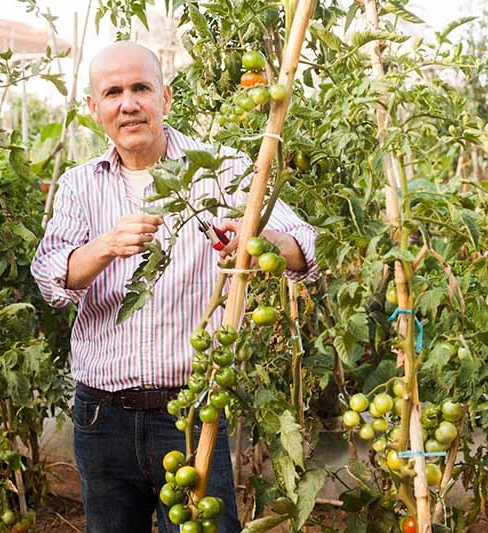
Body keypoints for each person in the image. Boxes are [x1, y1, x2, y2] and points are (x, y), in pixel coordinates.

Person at [31, 41, 318, 533]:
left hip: (188, 412)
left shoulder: (221, 169)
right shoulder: (81, 185)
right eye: (113, 92)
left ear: (164, 97)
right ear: (94, 108)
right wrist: (106, 246)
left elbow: (306, 246)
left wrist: (259, 237)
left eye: (141, 88)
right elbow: (50, 276)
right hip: (101, 417)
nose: (128, 104)